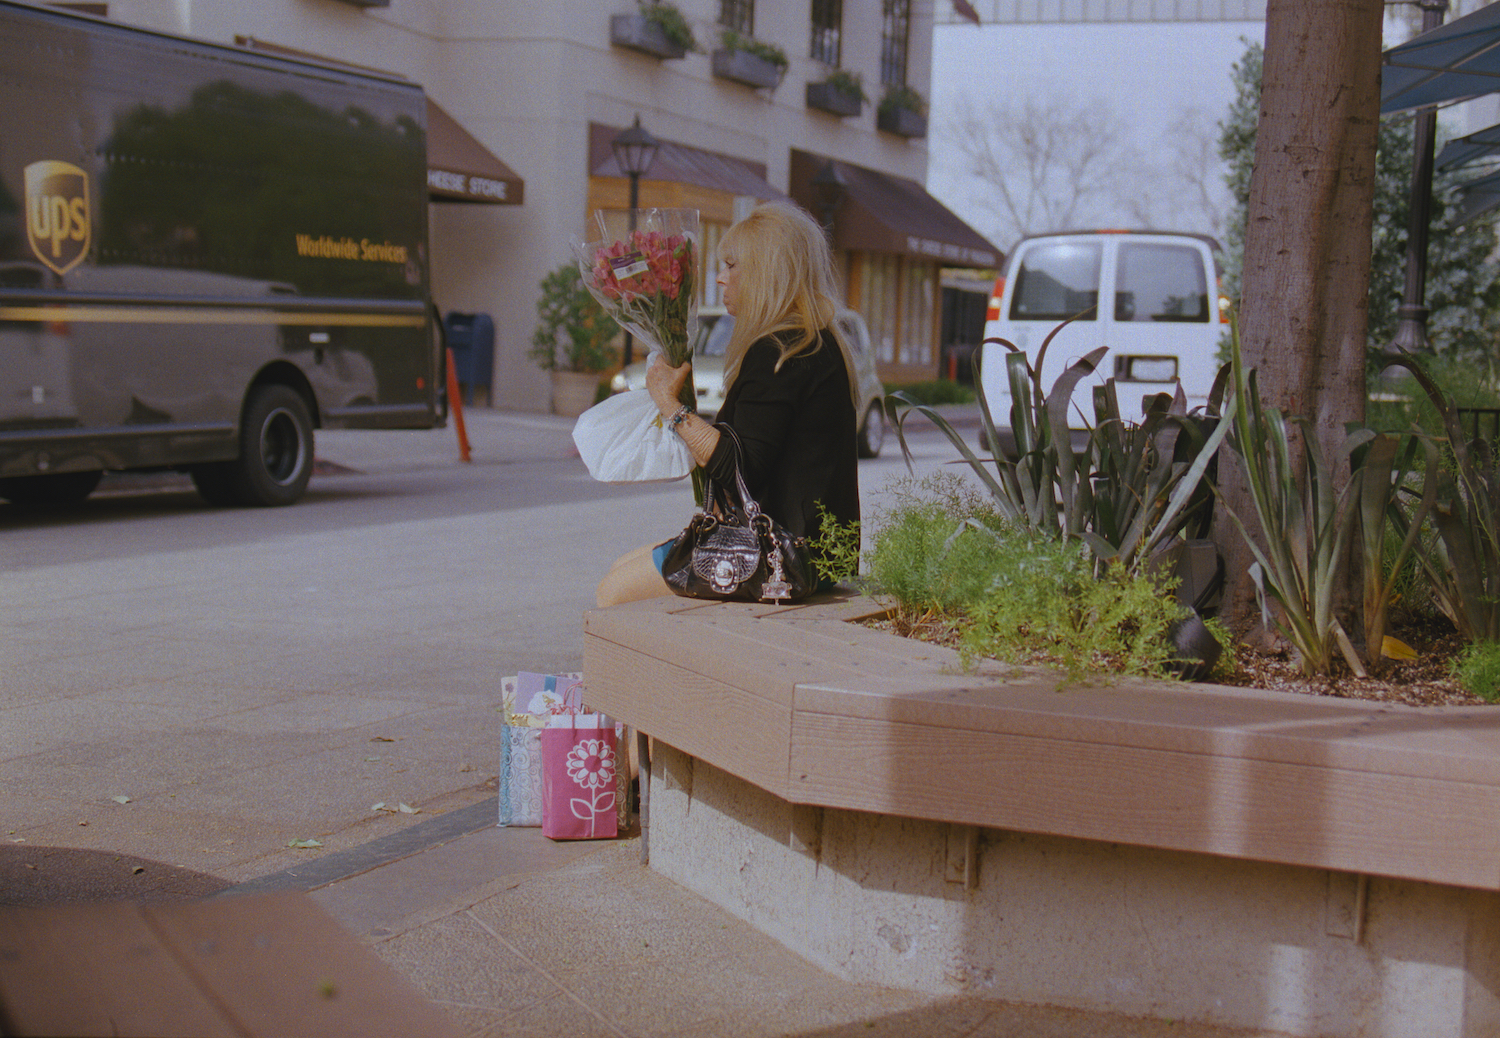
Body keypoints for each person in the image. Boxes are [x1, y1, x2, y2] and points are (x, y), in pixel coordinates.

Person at [595, 200, 860, 608]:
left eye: (732, 266)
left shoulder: (779, 351)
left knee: (614, 593)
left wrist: (669, 404)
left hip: (782, 557)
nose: (720, 279)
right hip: (818, 555)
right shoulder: (814, 344)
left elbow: (739, 464)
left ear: (766, 271)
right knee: (620, 568)